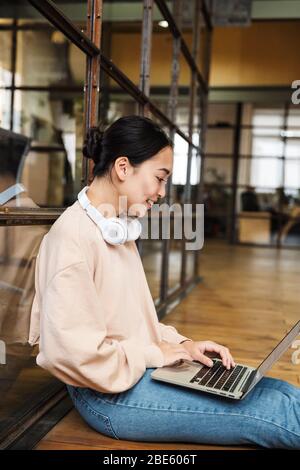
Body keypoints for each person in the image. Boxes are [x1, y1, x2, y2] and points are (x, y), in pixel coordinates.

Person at [29, 116, 300, 449]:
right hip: (106, 397)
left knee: (282, 393)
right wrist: (154, 353)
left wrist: (183, 345)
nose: (161, 192)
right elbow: (68, 354)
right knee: (279, 413)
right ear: (123, 168)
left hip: (131, 374)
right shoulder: (72, 239)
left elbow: (129, 322)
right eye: (159, 178)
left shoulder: (116, 227)